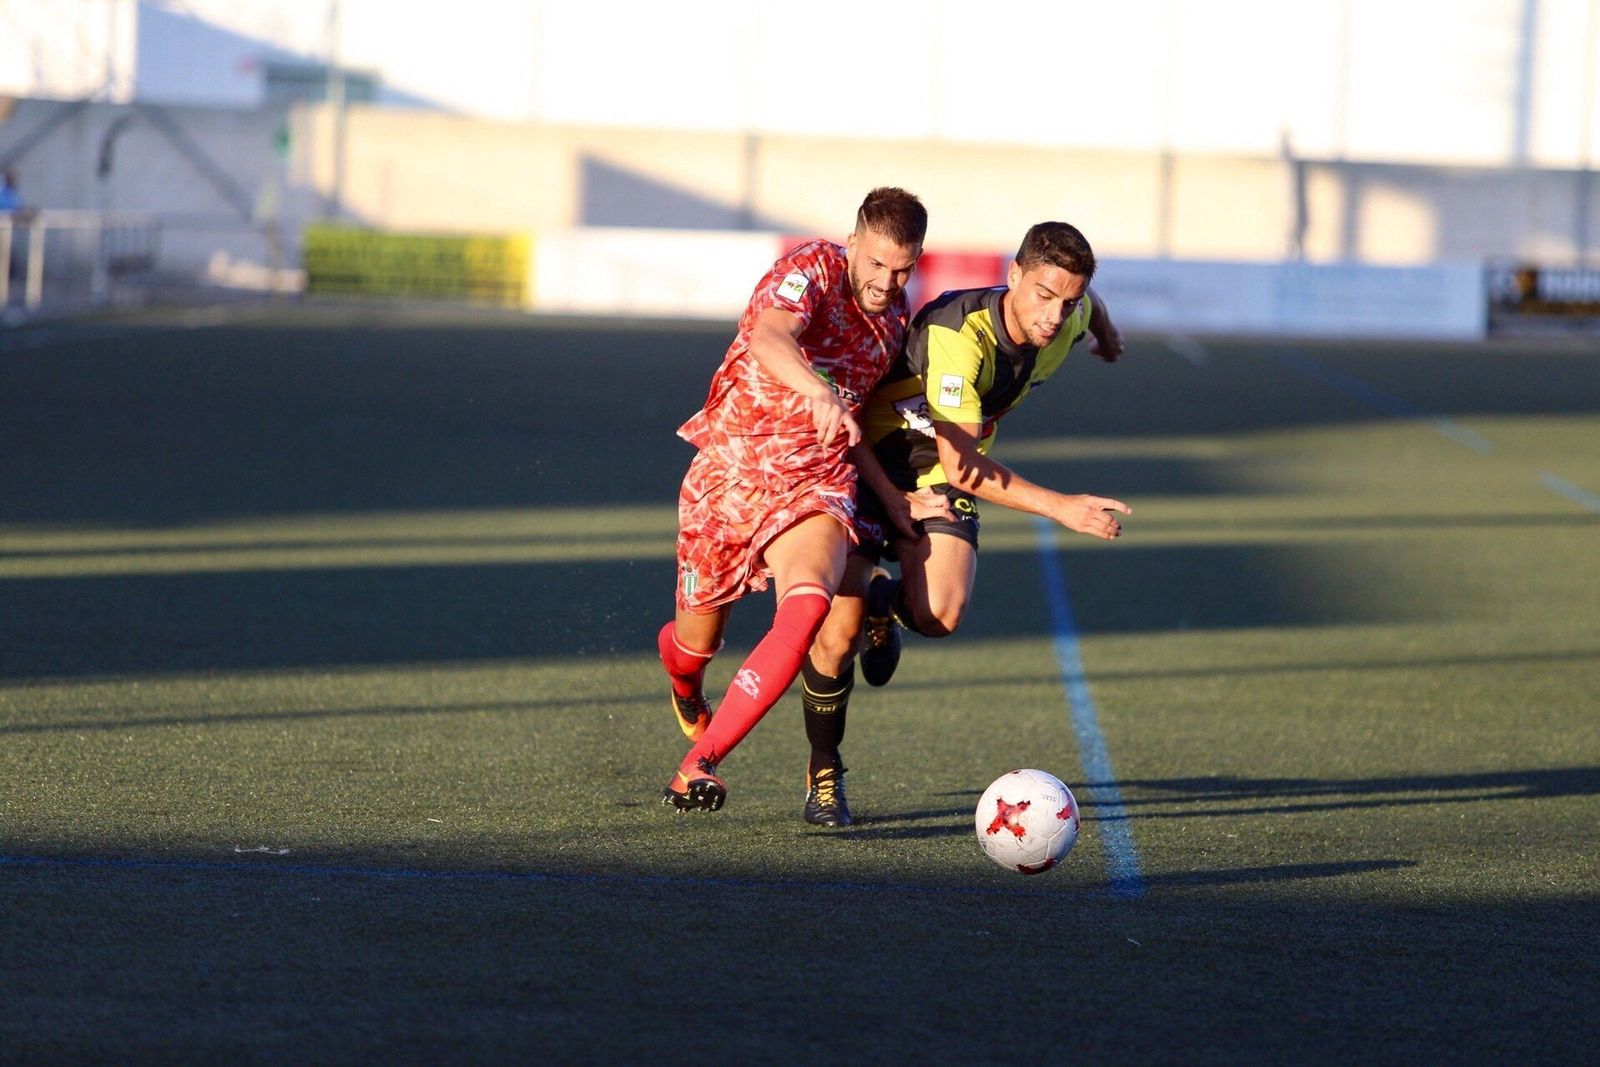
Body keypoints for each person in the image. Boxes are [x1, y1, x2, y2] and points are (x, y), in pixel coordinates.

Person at [794, 220, 1131, 825]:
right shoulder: (960, 335)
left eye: (1069, 300)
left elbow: (1092, 307)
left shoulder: (1070, 315)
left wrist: (1105, 333)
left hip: (942, 469)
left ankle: (883, 603)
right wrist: (1064, 508)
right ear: (1014, 277)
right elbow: (967, 469)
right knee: (835, 634)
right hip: (868, 458)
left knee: (940, 616)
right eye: (1044, 295)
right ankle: (824, 772)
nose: (1055, 315)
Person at [658, 186, 932, 814]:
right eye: (876, 263)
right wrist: (817, 391)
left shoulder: (893, 321)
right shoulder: (809, 268)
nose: (888, 282)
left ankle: (701, 762)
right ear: (854, 240)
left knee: (808, 607)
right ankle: (684, 680)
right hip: (729, 475)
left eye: (903, 269)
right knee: (693, 646)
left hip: (814, 482)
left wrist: (889, 498)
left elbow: (855, 423)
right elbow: (769, 337)